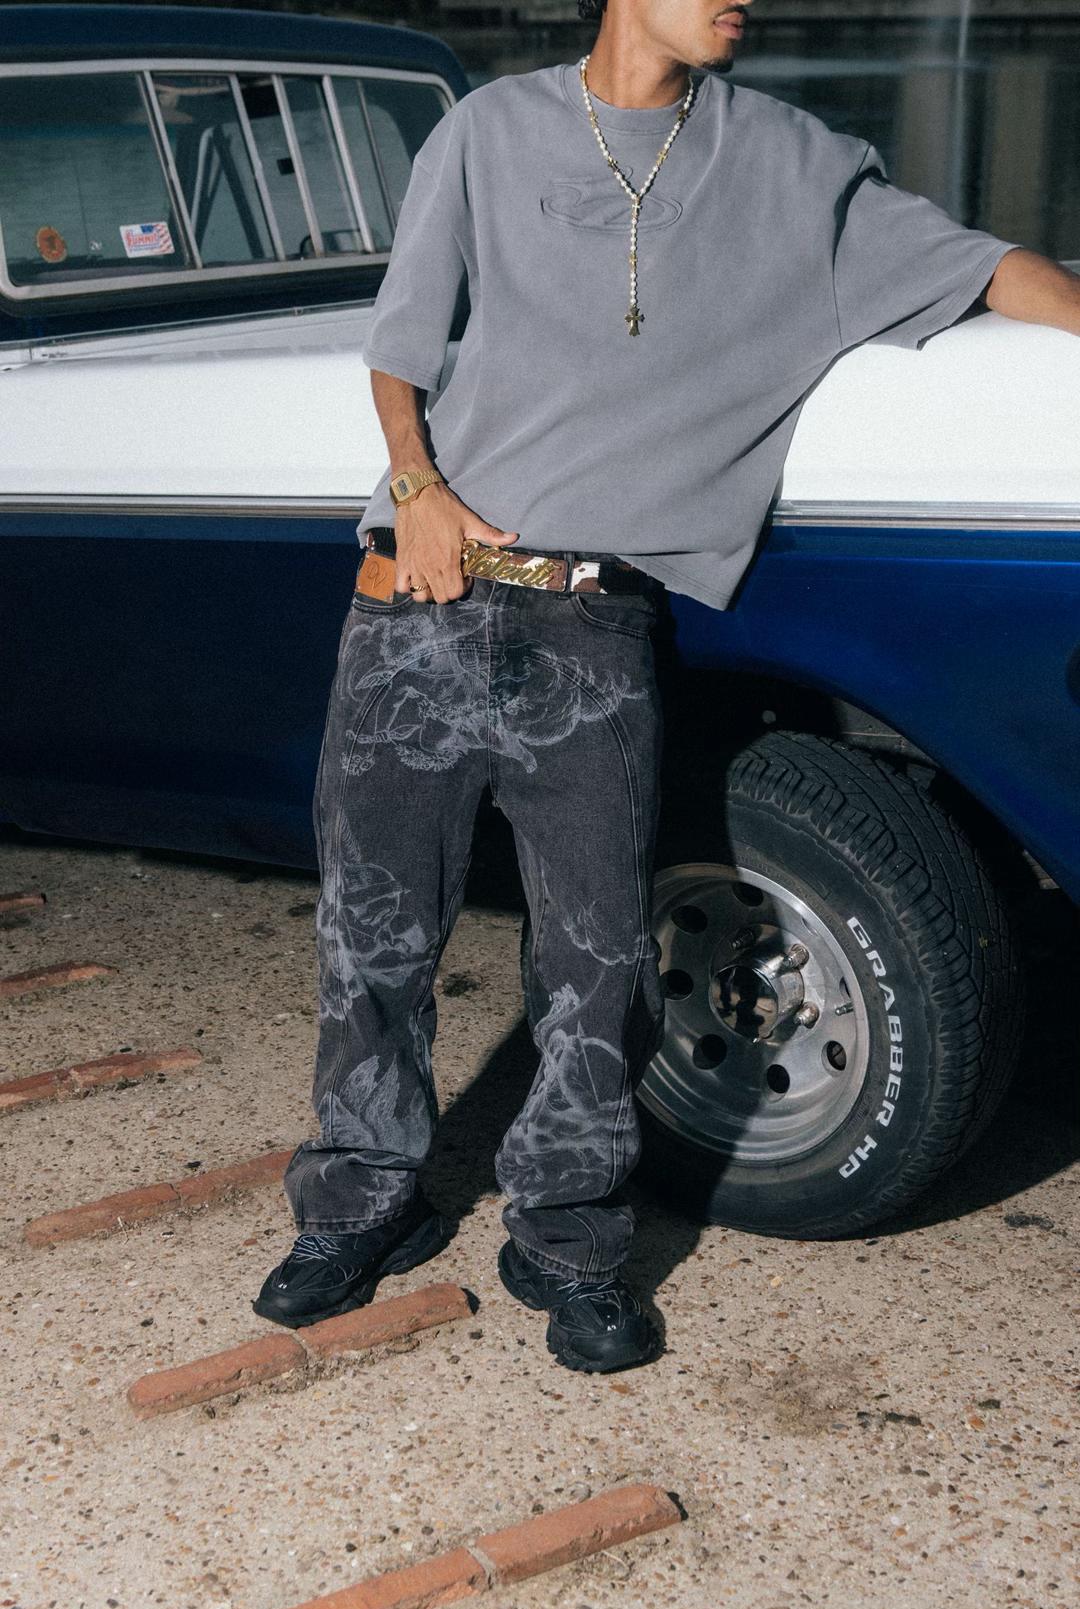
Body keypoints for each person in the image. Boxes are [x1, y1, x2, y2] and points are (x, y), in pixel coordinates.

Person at [253, 0, 1080, 1372]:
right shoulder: (487, 132)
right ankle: (358, 1205)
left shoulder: (794, 162)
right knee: (373, 946)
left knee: (596, 967)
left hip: (597, 626)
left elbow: (987, 268)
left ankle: (568, 1239)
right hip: (419, 606)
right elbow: (401, 346)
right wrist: (418, 490)